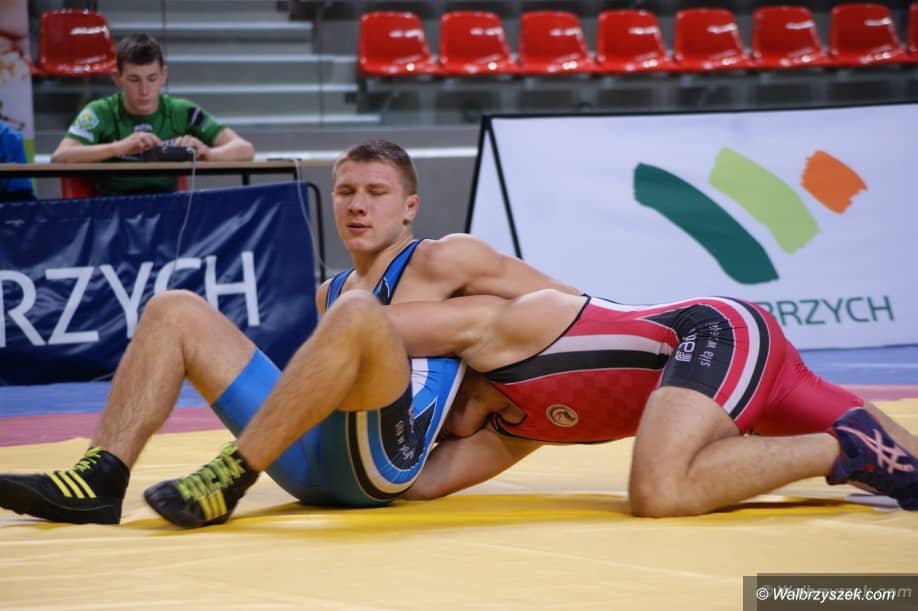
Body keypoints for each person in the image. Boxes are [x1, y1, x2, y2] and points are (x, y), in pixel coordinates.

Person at [0, 139, 576, 526]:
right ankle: (101, 477)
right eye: (345, 192)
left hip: (383, 465)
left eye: (376, 193)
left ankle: (232, 473)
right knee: (173, 308)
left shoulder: (447, 258)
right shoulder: (332, 290)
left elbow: (570, 307)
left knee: (358, 314)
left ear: (409, 207)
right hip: (310, 466)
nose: (357, 206)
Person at [49, 33, 255, 195]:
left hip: (168, 214)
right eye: (134, 80)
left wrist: (207, 154)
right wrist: (119, 147)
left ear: (163, 75)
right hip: (112, 216)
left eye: (152, 78)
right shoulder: (99, 112)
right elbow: (60, 157)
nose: (144, 90)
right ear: (117, 78)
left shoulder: (182, 111)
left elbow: (245, 149)